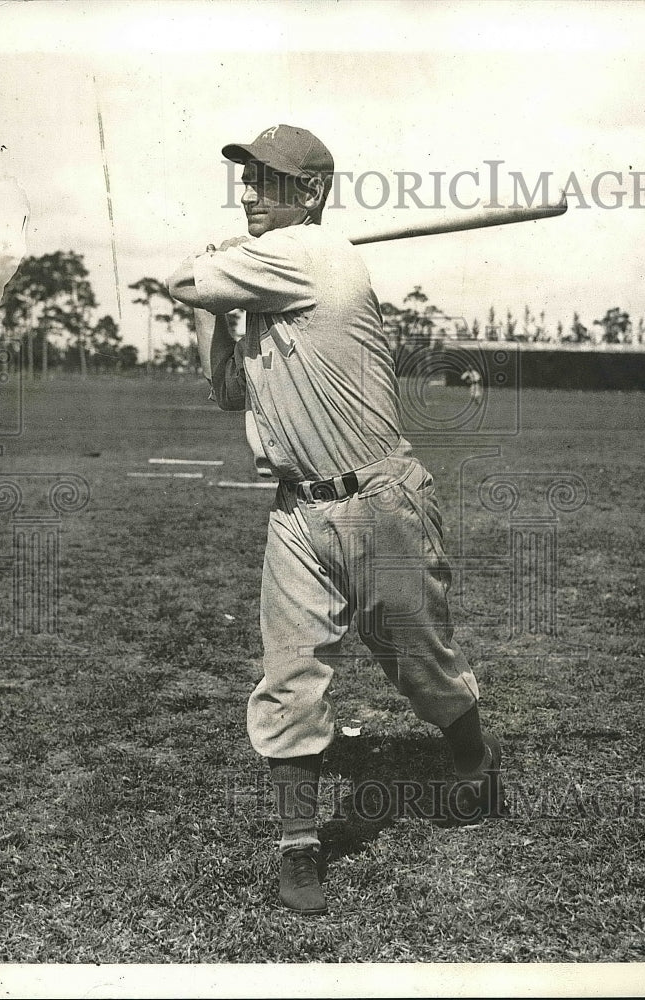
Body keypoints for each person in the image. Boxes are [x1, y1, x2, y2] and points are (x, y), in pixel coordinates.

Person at [168, 124, 504, 916]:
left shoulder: (317, 256)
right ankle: (300, 847)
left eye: (267, 181)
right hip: (297, 511)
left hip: (380, 502)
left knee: (418, 661)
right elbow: (225, 389)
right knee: (289, 676)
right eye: (245, 179)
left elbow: (183, 280)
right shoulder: (265, 280)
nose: (249, 191)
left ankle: (472, 759)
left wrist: (209, 268)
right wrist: (219, 296)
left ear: (311, 195)